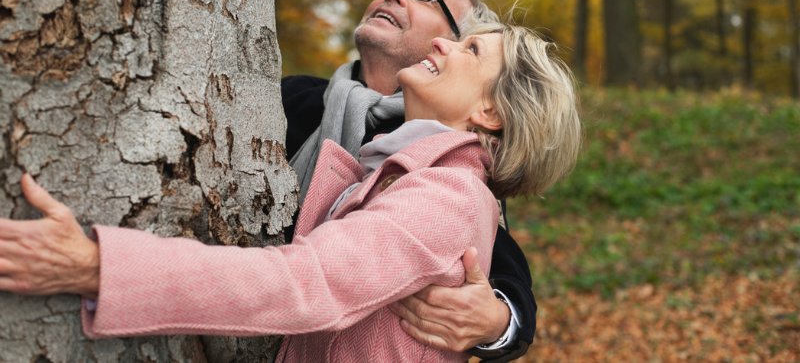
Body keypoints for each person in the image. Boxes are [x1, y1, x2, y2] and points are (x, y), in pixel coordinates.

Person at [0, 19, 581, 363]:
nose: (444, 44)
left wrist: (99, 268)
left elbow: (306, 285)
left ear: (491, 111)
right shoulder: (401, 163)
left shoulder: (445, 195)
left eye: (470, 49)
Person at [283, 0, 535, 361]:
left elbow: (499, 266)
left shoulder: (445, 143)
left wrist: (498, 322)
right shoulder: (288, 97)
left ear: (452, 40)